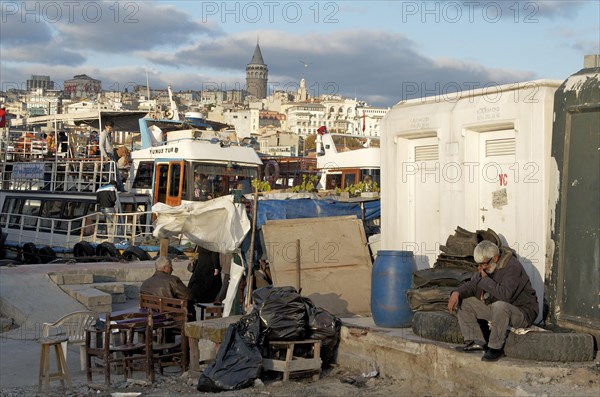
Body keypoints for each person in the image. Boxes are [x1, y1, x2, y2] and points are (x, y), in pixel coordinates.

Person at [447, 240, 539, 361]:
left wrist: (485, 280)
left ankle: (495, 348)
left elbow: (505, 296)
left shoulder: (512, 267)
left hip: (522, 312)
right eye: (478, 265)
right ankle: (477, 342)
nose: (480, 268)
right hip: (498, 310)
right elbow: (472, 284)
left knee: (500, 306)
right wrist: (456, 292)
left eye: (483, 264)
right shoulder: (487, 267)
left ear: (495, 258)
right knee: (464, 302)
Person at [140, 256, 196, 321]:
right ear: (165, 267)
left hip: (152, 317)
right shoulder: (173, 280)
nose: (172, 269)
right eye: (170, 266)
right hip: (170, 317)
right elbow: (188, 296)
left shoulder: (145, 283)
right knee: (190, 306)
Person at [99, 120, 125, 192]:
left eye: (111, 128)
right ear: (105, 127)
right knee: (109, 173)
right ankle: (110, 189)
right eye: (109, 128)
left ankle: (120, 188)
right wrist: (105, 156)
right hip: (107, 154)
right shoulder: (103, 134)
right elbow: (100, 145)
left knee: (116, 172)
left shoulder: (109, 134)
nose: (110, 129)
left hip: (111, 154)